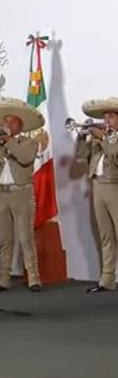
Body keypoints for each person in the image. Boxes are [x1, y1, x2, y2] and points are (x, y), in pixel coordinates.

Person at [74, 97, 118, 295]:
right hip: (98, 185)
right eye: (105, 116)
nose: (107, 120)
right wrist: (81, 136)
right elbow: (80, 155)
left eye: (111, 116)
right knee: (105, 236)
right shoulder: (98, 136)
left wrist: (102, 138)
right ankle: (107, 280)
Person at [0, 97, 45, 292]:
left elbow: (25, 158)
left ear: (19, 124)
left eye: (10, 122)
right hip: (2, 194)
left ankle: (34, 278)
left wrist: (9, 141)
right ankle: (4, 277)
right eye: (4, 121)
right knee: (4, 239)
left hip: (22, 194)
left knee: (26, 237)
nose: (5, 125)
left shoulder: (29, 142)